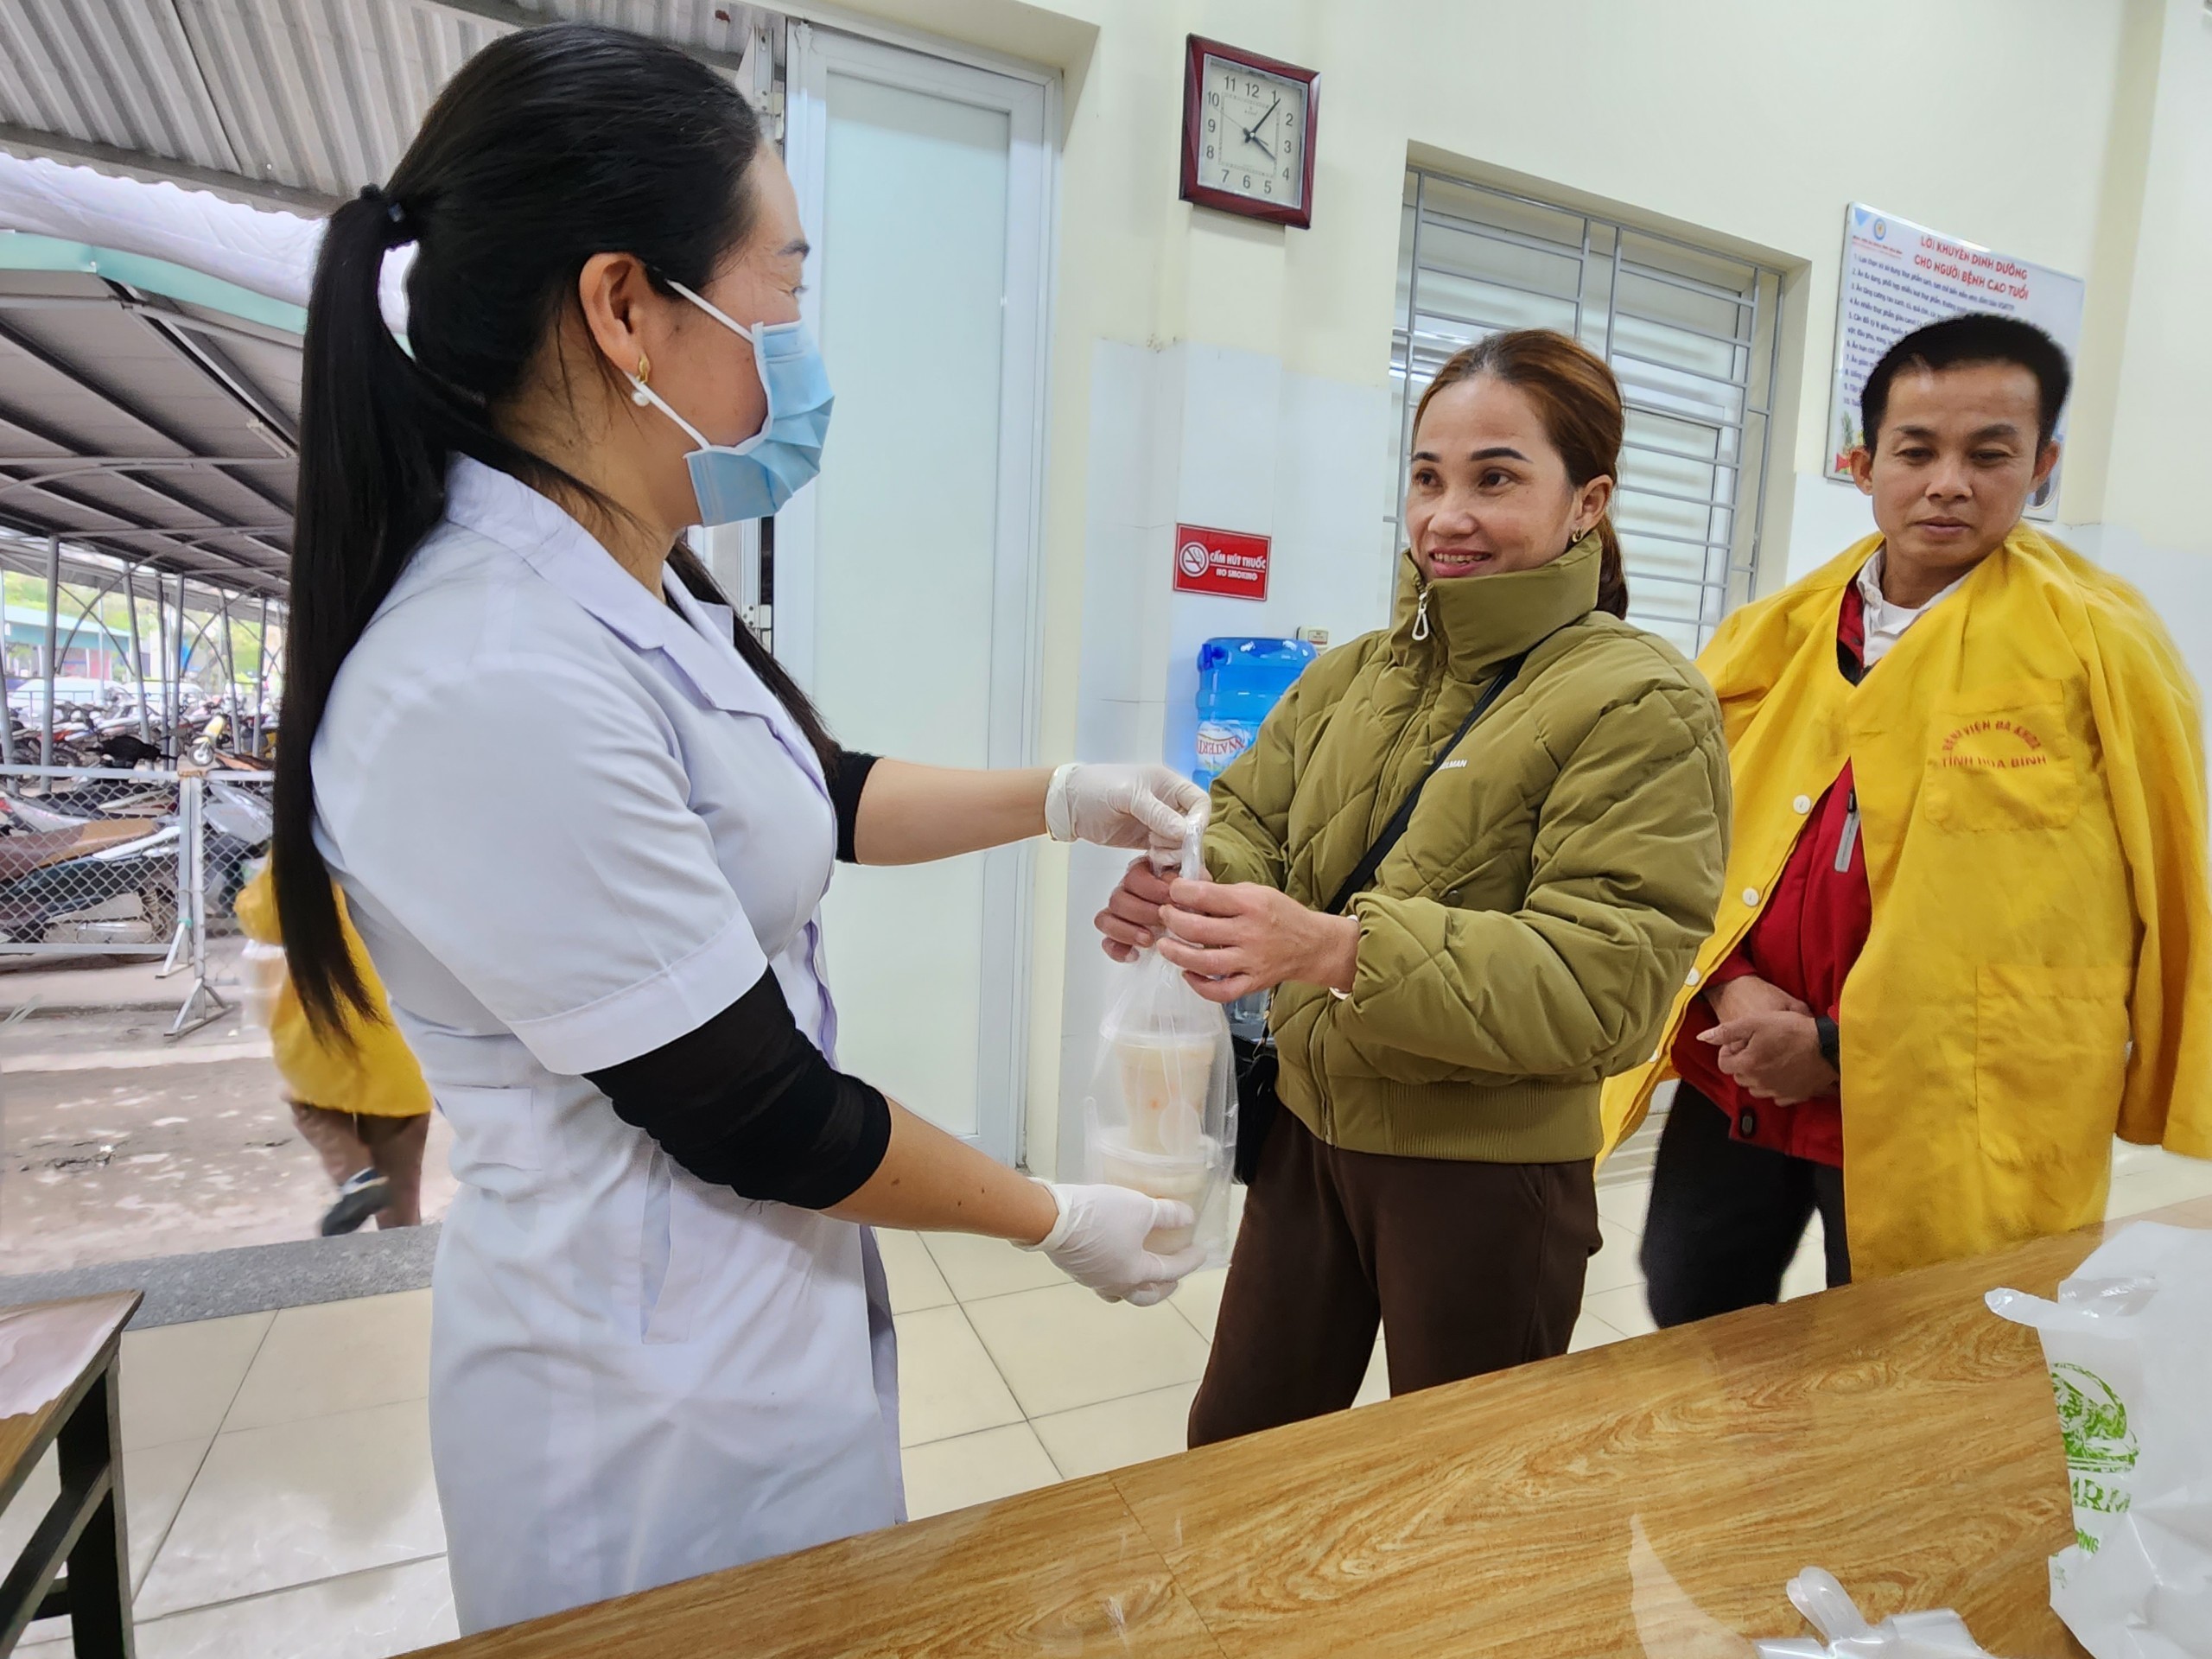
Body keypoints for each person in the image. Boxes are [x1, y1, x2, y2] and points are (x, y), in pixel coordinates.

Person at [273, 25, 1211, 1635]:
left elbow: (804, 794)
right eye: (783, 281)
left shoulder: (624, 577)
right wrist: (1058, 1218)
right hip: (637, 1410)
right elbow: (762, 1112)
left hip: (748, 1336)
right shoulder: (487, 673)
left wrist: (1064, 797)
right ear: (625, 305)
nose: (799, 338)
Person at [1096, 329, 1731, 1446]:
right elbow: (1248, 820)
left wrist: (1333, 949)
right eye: (1428, 477)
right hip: (1307, 1137)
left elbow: (1609, 987)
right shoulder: (1355, 673)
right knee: (1238, 1455)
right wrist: (1186, 885)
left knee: (1460, 1492)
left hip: (1483, 1177)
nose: (1447, 515)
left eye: (1496, 478)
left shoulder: (1639, 704)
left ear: (1587, 503)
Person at [1605, 314, 2212, 1324]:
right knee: (1694, 1315)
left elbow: (2155, 875)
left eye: (1989, 455)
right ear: (1862, 463)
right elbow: (1678, 830)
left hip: (1952, 1098)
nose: (1947, 484)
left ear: (2043, 467)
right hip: (1742, 1072)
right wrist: (1730, 985)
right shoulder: (1775, 634)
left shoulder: (2095, 646)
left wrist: (1838, 1046)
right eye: (1916, 450)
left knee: (1928, 1348)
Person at [235, 862, 433, 1235]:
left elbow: (267, 921)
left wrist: (249, 891)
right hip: (408, 1031)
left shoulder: (309, 843)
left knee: (308, 1104)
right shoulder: (419, 842)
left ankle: (358, 1178)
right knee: (402, 1171)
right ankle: (404, 1248)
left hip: (329, 1028)